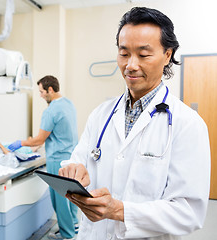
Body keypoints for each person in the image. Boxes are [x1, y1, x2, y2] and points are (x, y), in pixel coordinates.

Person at [58, 7, 211, 240]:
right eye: (124, 53)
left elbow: (188, 212)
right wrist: (73, 170)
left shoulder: (188, 125)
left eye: (143, 54)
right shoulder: (101, 114)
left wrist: (119, 211)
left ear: (167, 55)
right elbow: (79, 159)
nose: (130, 65)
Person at [8, 75, 79, 240]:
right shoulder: (68, 103)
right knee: (71, 194)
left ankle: (67, 234)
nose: (40, 95)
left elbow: (40, 139)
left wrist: (21, 143)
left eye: (41, 92)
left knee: (59, 198)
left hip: (57, 159)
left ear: (50, 90)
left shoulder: (51, 110)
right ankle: (74, 225)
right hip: (72, 156)